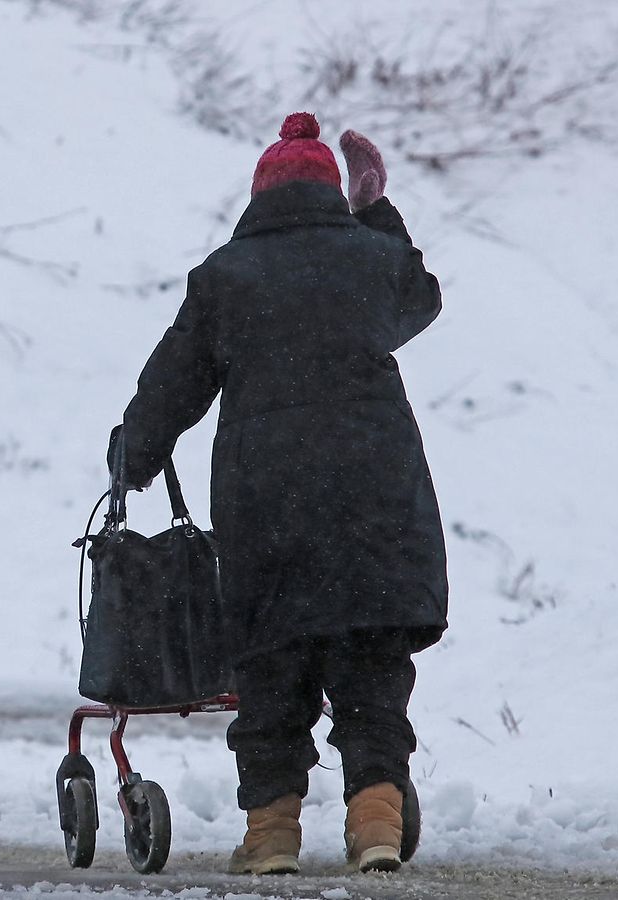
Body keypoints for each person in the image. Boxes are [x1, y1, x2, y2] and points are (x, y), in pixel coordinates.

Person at [108, 112, 448, 874]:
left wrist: (132, 456)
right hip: (375, 495)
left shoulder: (226, 277)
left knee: (272, 671)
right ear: (335, 195)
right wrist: (376, 213)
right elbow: (418, 299)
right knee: (370, 674)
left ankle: (270, 839)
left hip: (269, 506)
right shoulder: (369, 260)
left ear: (258, 197)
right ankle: (378, 826)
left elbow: (174, 383)